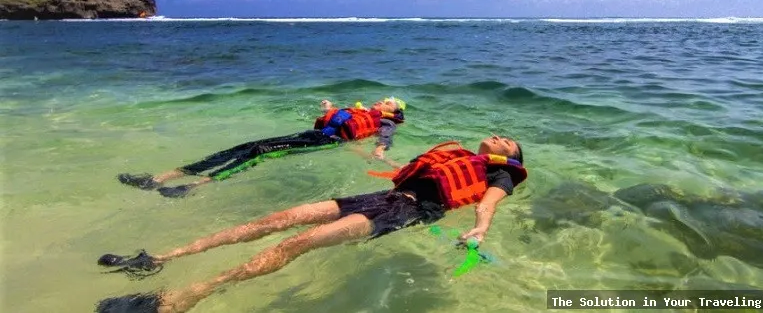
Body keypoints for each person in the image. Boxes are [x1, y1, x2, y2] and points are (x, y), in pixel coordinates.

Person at [95, 135, 526, 313]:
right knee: (275, 220)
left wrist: (480, 229)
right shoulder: (456, 156)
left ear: (510, 157)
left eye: (507, 141)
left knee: (297, 242)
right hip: (382, 197)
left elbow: (488, 204)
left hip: (403, 213)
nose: (499, 136)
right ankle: (158, 258)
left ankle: (174, 302)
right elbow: (408, 170)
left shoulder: (499, 174)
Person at [117, 97, 407, 198]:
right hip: (315, 134)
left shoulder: (386, 123)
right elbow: (337, 118)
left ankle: (192, 187)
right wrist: (329, 107)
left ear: (392, 112)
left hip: (325, 142)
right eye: (383, 100)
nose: (382, 102)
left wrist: (381, 150)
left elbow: (385, 137)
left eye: (388, 103)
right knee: (249, 145)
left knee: (261, 152)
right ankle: (159, 178)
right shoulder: (362, 112)